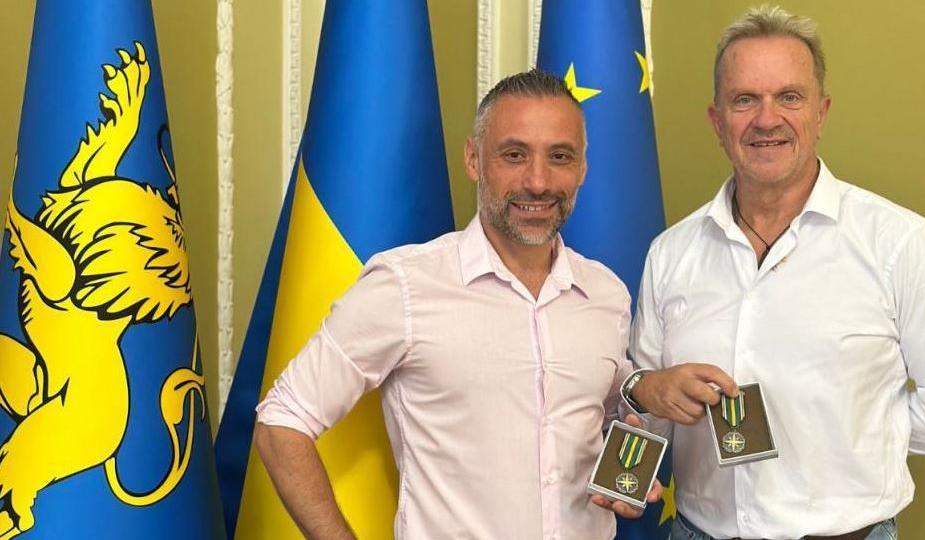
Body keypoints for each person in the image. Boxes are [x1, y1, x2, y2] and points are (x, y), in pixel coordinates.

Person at [254, 69, 659, 540]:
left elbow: (601, 416)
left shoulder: (606, 294)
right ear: (473, 159)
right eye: (513, 155)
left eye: (560, 157)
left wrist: (628, 461)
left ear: (583, 168)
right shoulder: (405, 285)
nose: (538, 181)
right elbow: (281, 420)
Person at [624, 5, 925, 540]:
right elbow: (648, 408)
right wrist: (646, 403)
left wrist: (863, 433)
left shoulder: (900, 244)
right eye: (744, 100)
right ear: (717, 121)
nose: (766, 119)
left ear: (820, 112)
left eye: (789, 97)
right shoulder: (671, 253)